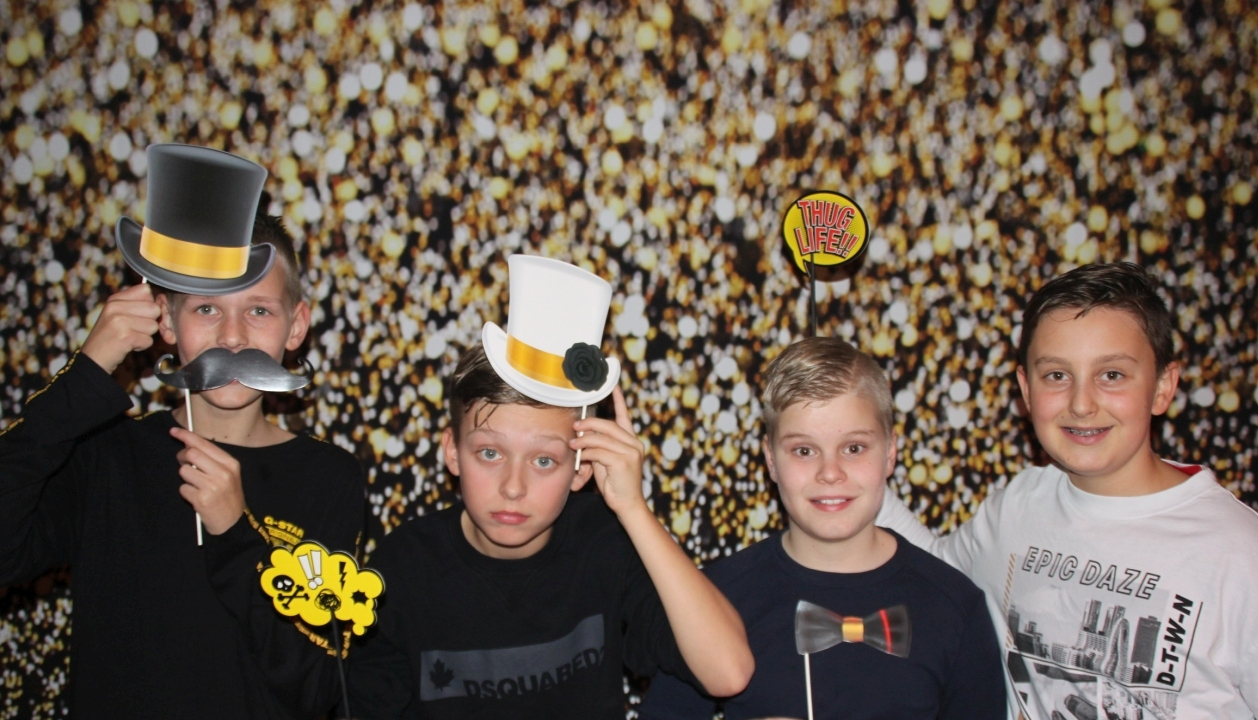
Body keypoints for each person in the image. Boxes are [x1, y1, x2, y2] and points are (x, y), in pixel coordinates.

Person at [0, 172, 366, 716]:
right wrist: (85, 376)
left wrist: (236, 536)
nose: (233, 336)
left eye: (259, 310)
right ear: (167, 321)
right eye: (207, 308)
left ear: (296, 327)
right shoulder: (108, 458)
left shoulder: (329, 477)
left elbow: (321, 691)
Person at [346, 254, 753, 718]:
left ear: (581, 468)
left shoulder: (605, 544)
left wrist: (633, 509)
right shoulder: (403, 569)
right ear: (452, 452)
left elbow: (729, 672)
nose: (513, 487)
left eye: (544, 460)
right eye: (490, 453)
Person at [876, 262, 1258, 720]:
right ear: (1026, 389)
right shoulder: (1019, 506)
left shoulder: (1243, 556)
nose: (1082, 403)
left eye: (1112, 375)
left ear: (1163, 386)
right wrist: (854, 475)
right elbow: (934, 569)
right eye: (1057, 375)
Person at [640, 337, 1005, 720]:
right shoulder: (713, 601)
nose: (830, 473)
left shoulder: (955, 607)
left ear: (890, 452)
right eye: (804, 450)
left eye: (854, 448)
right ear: (770, 460)